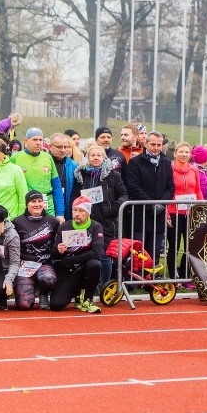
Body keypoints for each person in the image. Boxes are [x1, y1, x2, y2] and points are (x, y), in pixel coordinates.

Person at [71, 144, 127, 286]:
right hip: (86, 221)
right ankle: (90, 284)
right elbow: (75, 197)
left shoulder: (113, 175)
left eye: (99, 155)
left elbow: (123, 195)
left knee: (104, 255)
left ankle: (105, 285)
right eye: (92, 155)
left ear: (104, 157)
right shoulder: (81, 175)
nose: (96, 158)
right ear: (87, 157)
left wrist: (114, 208)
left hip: (107, 221)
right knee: (86, 254)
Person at [125, 131, 174, 265]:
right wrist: (151, 204)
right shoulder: (135, 162)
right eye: (153, 144)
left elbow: (170, 187)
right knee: (139, 249)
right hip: (141, 213)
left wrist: (161, 204)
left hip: (158, 215)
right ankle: (136, 276)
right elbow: (133, 186)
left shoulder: (166, 163)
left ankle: (150, 279)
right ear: (146, 144)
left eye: (159, 145)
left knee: (155, 249)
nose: (156, 148)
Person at [51, 196, 103, 313]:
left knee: (95, 264)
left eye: (81, 210)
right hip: (69, 270)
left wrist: (72, 259)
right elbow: (54, 254)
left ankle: (88, 299)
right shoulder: (64, 226)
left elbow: (96, 253)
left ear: (88, 212)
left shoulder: (96, 227)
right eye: (75, 210)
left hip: (86, 267)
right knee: (56, 305)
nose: (77, 214)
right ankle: (77, 293)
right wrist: (59, 251)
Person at [12, 191, 59, 310]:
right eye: (33, 201)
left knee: (49, 278)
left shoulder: (52, 221)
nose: (37, 204)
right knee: (24, 305)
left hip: (43, 264)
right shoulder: (17, 222)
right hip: (24, 266)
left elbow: (56, 246)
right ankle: (27, 286)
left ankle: (43, 294)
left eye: (39, 201)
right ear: (27, 204)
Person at [167, 142, 203, 286]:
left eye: (186, 152)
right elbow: (167, 191)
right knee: (174, 246)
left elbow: (198, 191)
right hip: (174, 213)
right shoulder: (169, 169)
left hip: (191, 213)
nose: (184, 155)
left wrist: (202, 208)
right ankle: (172, 278)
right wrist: (167, 213)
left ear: (190, 155)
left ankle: (185, 275)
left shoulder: (194, 170)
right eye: (181, 152)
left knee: (190, 246)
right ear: (175, 153)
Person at [11, 127, 65, 220]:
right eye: (34, 140)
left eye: (41, 140)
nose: (38, 143)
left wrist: (60, 213)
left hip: (47, 206)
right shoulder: (15, 158)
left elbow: (56, 186)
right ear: (26, 140)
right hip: (26, 206)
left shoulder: (48, 157)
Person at [49, 133, 81, 220]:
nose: (63, 150)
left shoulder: (73, 165)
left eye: (66, 147)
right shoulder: (45, 161)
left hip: (67, 206)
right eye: (59, 147)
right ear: (50, 146)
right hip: (48, 204)